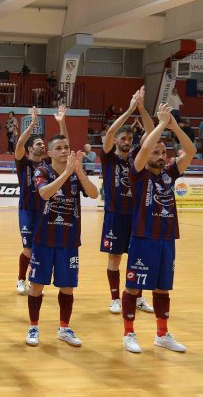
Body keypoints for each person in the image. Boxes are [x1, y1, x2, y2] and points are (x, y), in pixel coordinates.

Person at [120, 103, 196, 354]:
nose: (161, 156)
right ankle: (129, 333)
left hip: (166, 239)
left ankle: (162, 335)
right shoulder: (138, 174)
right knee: (133, 287)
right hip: (143, 238)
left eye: (164, 152)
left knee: (163, 288)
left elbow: (191, 150)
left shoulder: (169, 174)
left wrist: (174, 127)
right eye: (156, 152)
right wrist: (162, 124)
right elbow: (144, 148)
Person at [25, 134, 99, 348]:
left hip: (69, 240)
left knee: (67, 287)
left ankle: (64, 329)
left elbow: (94, 194)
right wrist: (66, 173)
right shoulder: (42, 171)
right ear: (49, 153)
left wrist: (79, 172)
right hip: (44, 239)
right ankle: (33, 327)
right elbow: (44, 193)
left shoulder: (76, 174)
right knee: (36, 286)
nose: (64, 150)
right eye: (58, 148)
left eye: (66, 147)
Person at [100, 87, 155, 316]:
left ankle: (138, 297)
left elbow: (151, 132)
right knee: (115, 258)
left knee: (138, 257)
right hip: (115, 214)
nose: (126, 141)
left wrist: (141, 108)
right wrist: (130, 109)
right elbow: (110, 132)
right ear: (117, 140)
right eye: (123, 138)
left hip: (137, 215)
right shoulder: (108, 157)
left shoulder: (137, 158)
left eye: (129, 138)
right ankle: (115, 299)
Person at [13, 106, 69, 294]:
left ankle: (34, 280)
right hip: (27, 210)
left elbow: (64, 145)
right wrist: (32, 125)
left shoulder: (48, 164)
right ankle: (21, 279)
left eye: (43, 144)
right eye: (38, 144)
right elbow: (19, 145)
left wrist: (62, 123)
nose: (42, 146)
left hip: (46, 211)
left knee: (39, 248)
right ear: (30, 149)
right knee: (28, 249)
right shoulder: (23, 163)